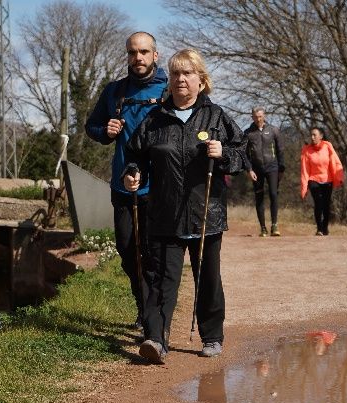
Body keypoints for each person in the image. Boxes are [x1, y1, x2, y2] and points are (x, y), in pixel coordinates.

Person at [123, 48, 248, 364]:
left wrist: (224, 154)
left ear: (201, 80)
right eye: (176, 73)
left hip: (206, 214)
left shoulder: (216, 117)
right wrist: (132, 174)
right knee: (162, 281)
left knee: (208, 279)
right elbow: (135, 156)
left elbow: (241, 156)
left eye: (188, 73)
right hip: (164, 215)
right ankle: (155, 338)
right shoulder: (155, 119)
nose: (181, 79)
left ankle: (212, 337)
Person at [85, 31, 168, 329]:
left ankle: (153, 317)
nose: (138, 58)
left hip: (159, 188)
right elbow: (91, 127)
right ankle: (143, 306)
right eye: (133, 53)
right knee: (128, 251)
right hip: (123, 186)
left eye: (144, 52)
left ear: (155, 56)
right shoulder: (114, 91)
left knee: (153, 254)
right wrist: (105, 131)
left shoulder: (170, 89)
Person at [245, 107, 285, 237]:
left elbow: (280, 150)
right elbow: (245, 155)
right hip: (257, 169)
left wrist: (281, 168)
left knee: (273, 194)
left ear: (264, 116)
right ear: (252, 117)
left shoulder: (274, 130)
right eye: (255, 117)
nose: (258, 119)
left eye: (260, 116)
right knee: (259, 197)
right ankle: (263, 228)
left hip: (272, 167)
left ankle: (274, 225)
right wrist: (249, 170)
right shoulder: (248, 133)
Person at [300, 127, 344, 236]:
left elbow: (335, 162)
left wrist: (338, 177)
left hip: (327, 180)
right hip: (313, 179)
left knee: (326, 205)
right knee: (318, 202)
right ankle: (319, 228)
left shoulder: (328, 147)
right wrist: (304, 187)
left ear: (321, 136)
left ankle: (325, 228)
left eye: (315, 135)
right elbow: (304, 170)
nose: (312, 137)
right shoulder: (307, 150)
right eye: (311, 135)